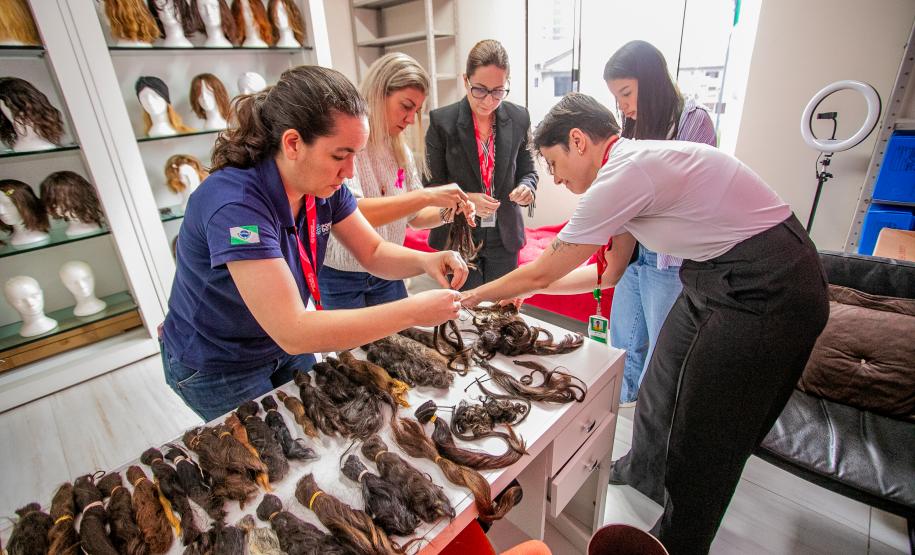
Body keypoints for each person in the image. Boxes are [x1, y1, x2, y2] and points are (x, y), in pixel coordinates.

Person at [461, 92, 829, 553]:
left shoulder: (624, 172)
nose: (555, 178)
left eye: (554, 163)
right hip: (711, 277)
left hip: (769, 286)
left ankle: (680, 542)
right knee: (660, 386)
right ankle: (647, 476)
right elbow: (608, 272)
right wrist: (529, 291)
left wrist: (472, 297)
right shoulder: (627, 171)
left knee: (707, 434)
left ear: (578, 141)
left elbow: (543, 268)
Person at [160, 66, 468, 422]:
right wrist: (413, 311)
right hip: (218, 362)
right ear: (293, 143)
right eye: (340, 155)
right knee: (276, 445)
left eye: (356, 155)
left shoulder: (324, 187)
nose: (350, 171)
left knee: (319, 427)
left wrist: (426, 261)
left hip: (279, 343)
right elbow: (294, 330)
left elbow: (373, 251)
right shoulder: (235, 205)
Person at [603, 40, 718, 406]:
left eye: (626, 93)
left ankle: (651, 417)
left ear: (651, 79)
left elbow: (687, 195)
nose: (623, 106)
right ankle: (622, 408)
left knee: (661, 348)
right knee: (624, 338)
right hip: (634, 249)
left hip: (668, 257)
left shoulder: (693, 120)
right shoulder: (636, 125)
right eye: (617, 98)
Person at [320, 53, 475, 309]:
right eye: (406, 106)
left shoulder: (399, 151)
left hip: (388, 271)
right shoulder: (348, 148)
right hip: (341, 276)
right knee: (356, 338)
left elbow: (414, 216)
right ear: (378, 93)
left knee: (400, 334)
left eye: (417, 111)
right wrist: (427, 196)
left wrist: (451, 210)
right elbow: (352, 214)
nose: (411, 119)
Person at [425, 39, 538, 289]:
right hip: (459, 234)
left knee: (502, 306)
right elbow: (431, 186)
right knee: (464, 306)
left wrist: (527, 187)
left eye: (498, 91)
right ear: (465, 80)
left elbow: (528, 169)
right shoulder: (442, 122)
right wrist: (466, 200)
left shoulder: (519, 117)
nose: (488, 100)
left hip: (504, 233)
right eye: (480, 90)